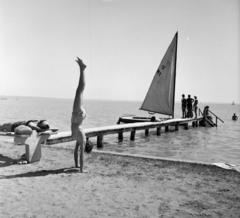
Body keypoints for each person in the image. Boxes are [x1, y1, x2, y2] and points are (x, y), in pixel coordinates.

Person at [71, 57, 87, 173]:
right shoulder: (81, 136)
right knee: (79, 90)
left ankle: (82, 69)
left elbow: (77, 151)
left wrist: (77, 166)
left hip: (78, 117)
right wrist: (81, 170)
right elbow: (80, 153)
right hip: (77, 116)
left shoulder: (80, 137)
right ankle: (82, 69)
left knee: (79, 91)